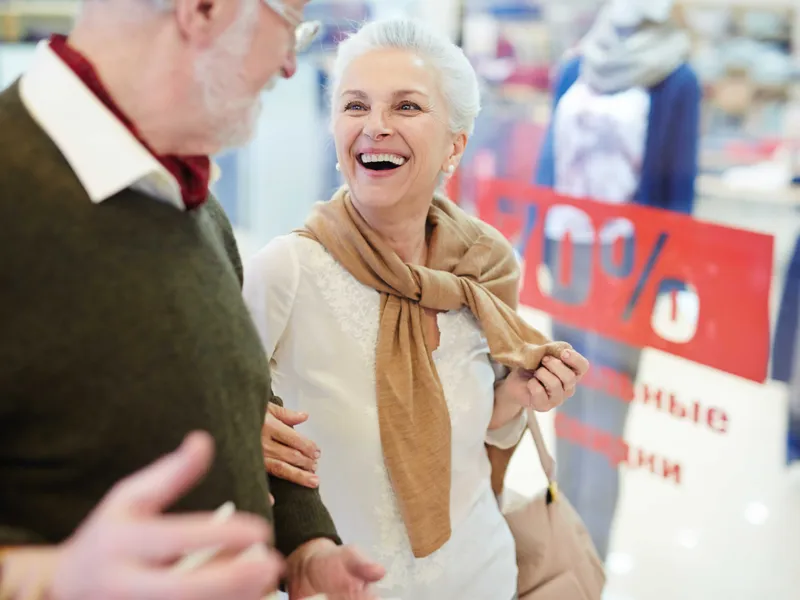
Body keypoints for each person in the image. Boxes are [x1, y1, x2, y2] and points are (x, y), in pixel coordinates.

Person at [0, 1, 384, 598]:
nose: (290, 63)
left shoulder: (189, 199)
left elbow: (237, 398)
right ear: (204, 9)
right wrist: (45, 579)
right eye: (290, 24)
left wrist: (303, 548)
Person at [244, 19, 590, 599]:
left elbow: (481, 439)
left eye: (406, 107)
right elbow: (206, 414)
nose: (375, 126)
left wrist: (517, 399)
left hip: (480, 576)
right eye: (355, 106)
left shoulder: (485, 266)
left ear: (455, 143)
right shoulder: (288, 271)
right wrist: (240, 426)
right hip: (343, 585)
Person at [534, 0, 700, 558]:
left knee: (605, 423)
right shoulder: (577, 67)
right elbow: (549, 164)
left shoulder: (675, 76)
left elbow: (678, 189)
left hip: (627, 266)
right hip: (568, 261)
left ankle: (590, 563)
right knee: (564, 402)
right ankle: (559, 548)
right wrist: (534, 241)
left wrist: (670, 280)